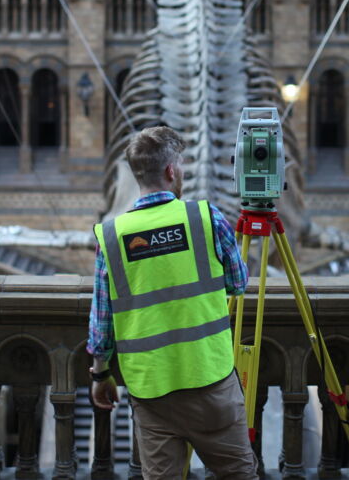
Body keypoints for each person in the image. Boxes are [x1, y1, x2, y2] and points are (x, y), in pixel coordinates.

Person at [87, 126, 259, 479]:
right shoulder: (206, 218)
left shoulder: (111, 236)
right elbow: (238, 283)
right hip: (210, 381)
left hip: (152, 389)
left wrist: (101, 374)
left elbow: (102, 321)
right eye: (180, 164)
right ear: (171, 171)